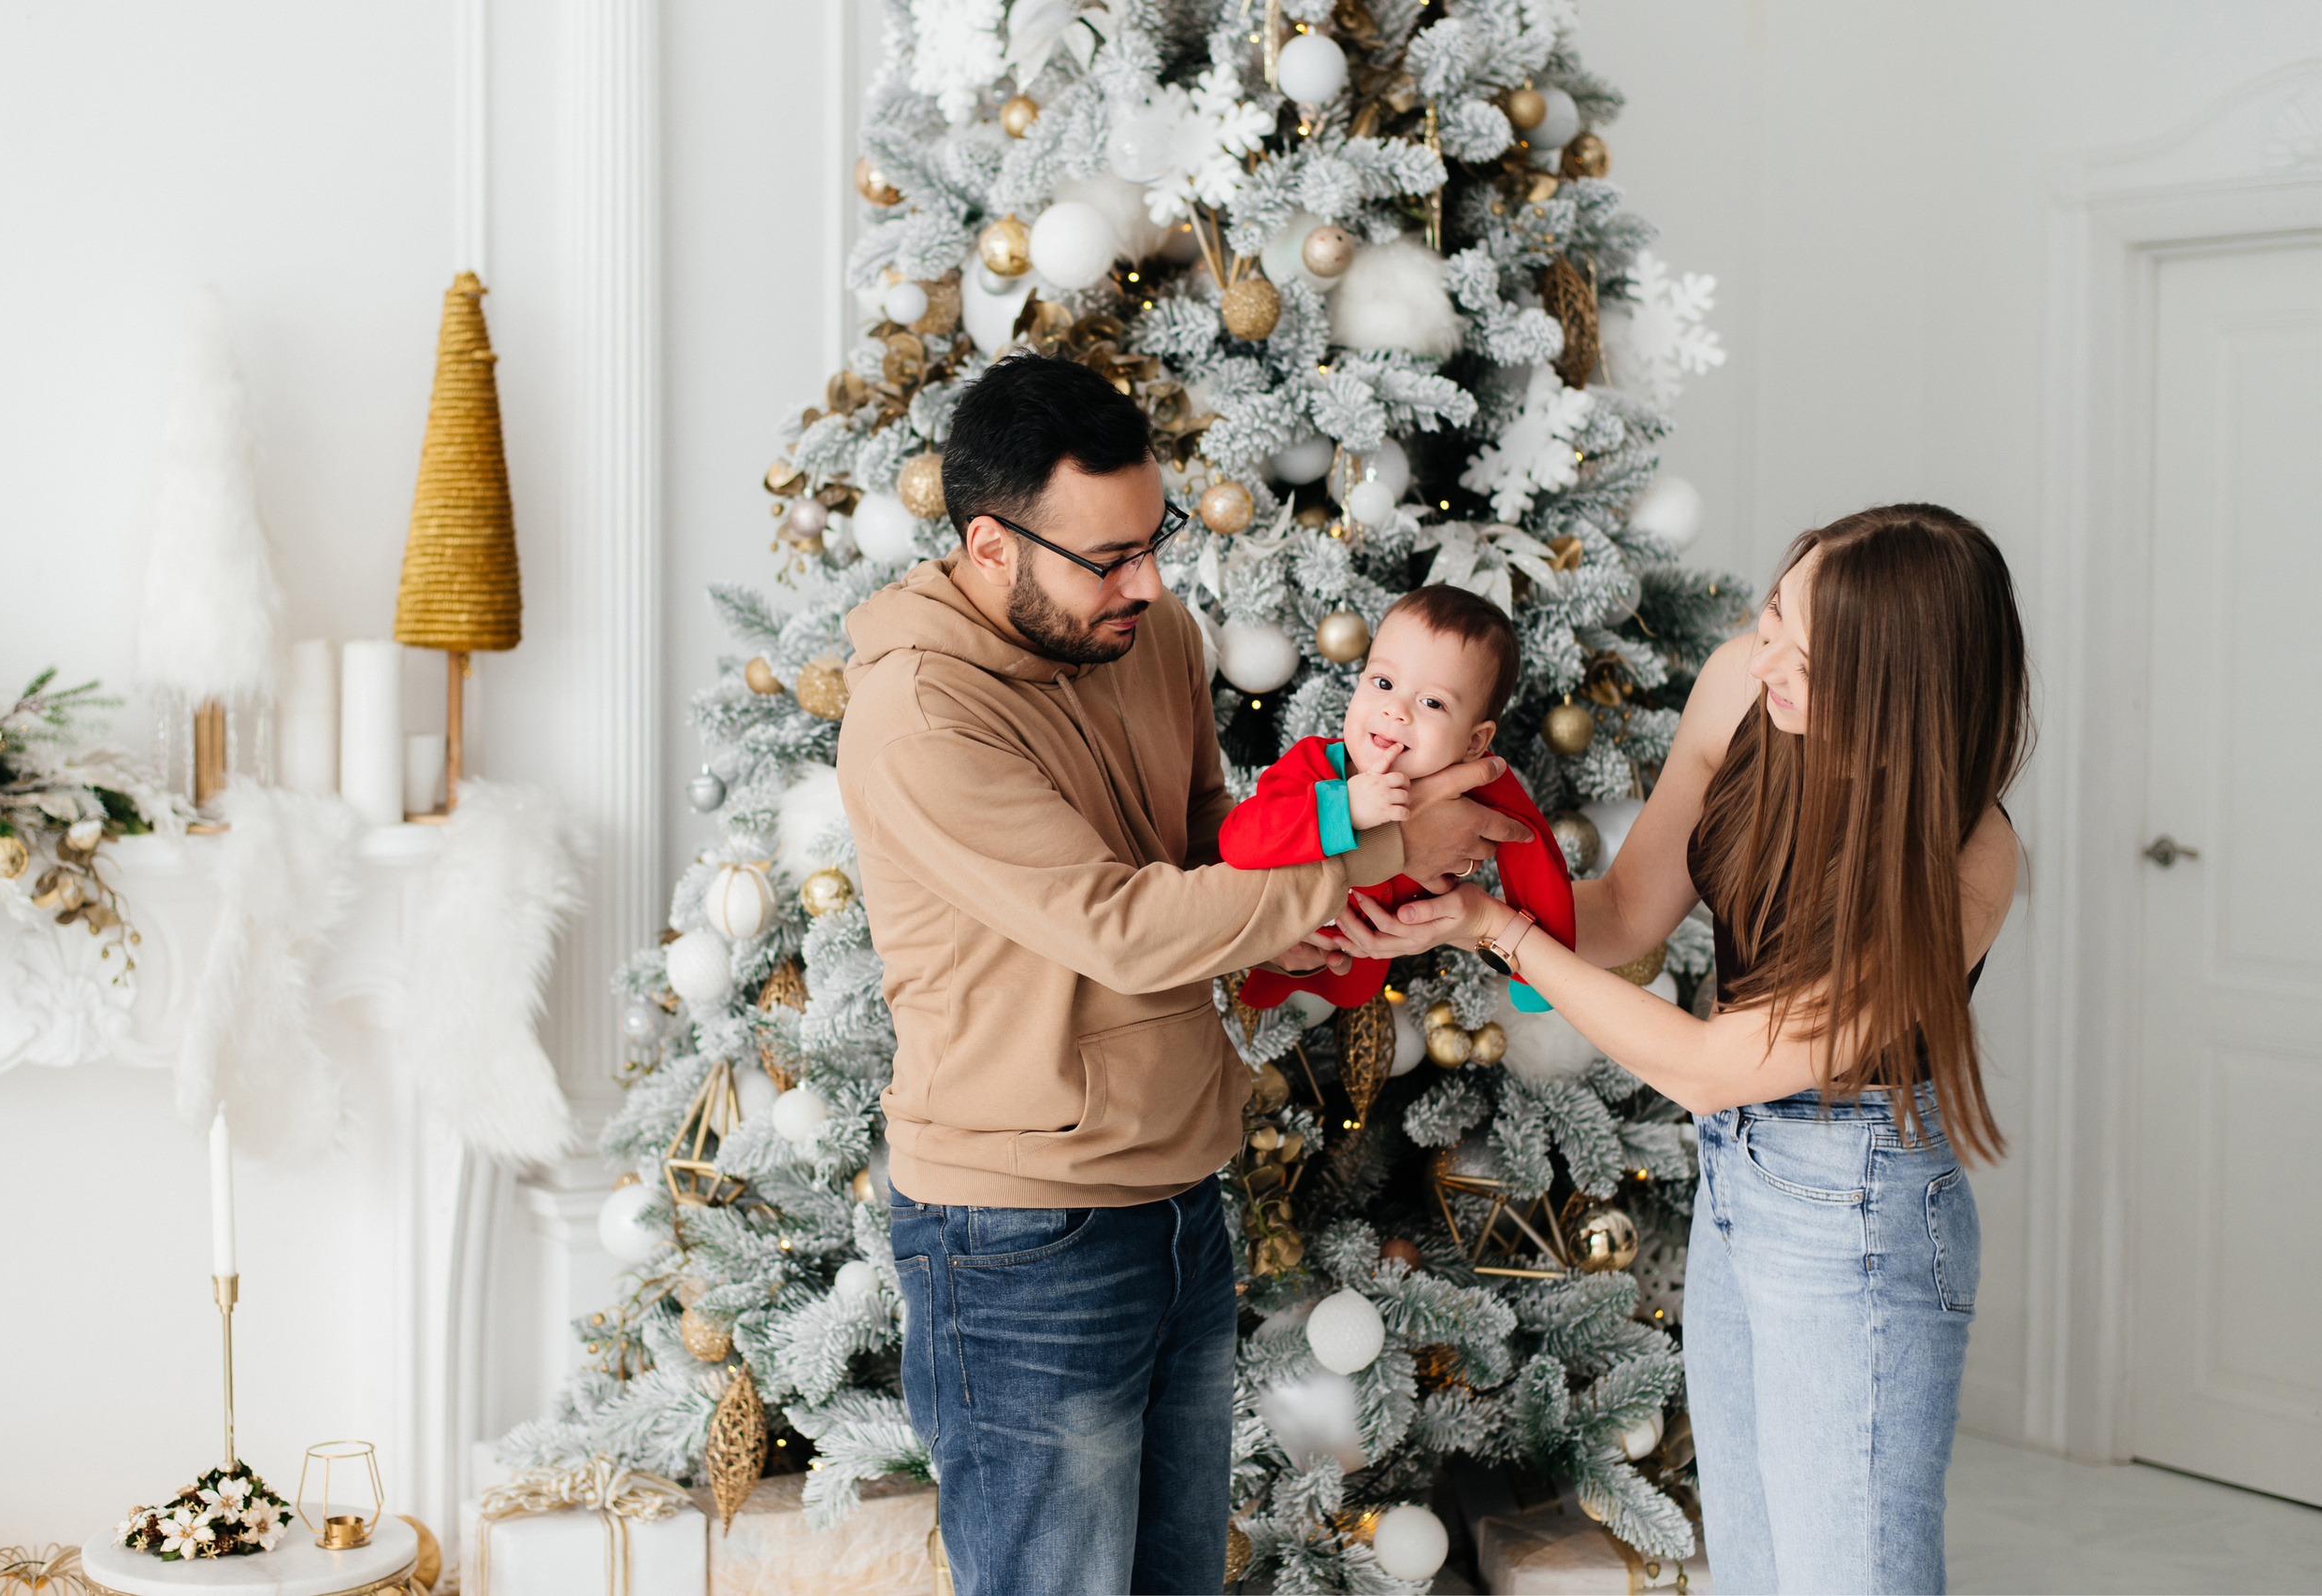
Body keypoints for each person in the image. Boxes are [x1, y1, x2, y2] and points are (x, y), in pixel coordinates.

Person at [833, 352, 1527, 1596]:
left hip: (1177, 1193)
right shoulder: (921, 715)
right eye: (1110, 558)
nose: (1150, 584)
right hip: (1020, 1231)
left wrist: (1314, 920)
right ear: (990, 547)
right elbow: (1123, 924)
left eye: (1153, 540)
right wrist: (1385, 842)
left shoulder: (1147, 634)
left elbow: (1209, 839)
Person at [1348, 505, 2028, 1594]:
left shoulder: (1968, 857)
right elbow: (1624, 910)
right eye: (1771, 616)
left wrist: (1500, 935)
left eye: (1804, 654)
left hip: (1858, 1204)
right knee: (1756, 1572)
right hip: (1735, 1174)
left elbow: (1714, 1063)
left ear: (1894, 689)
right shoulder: (1742, 686)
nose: (1764, 659)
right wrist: (1442, 888)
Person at [1218, 583, 1578, 1014]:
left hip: (1367, 961)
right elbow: (1237, 840)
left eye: (1432, 702)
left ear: (1474, 742)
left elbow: (1534, 854)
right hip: (1272, 933)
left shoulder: (1480, 781)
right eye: (1383, 682)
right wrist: (1345, 807)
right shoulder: (1315, 763)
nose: (1396, 710)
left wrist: (1534, 973)